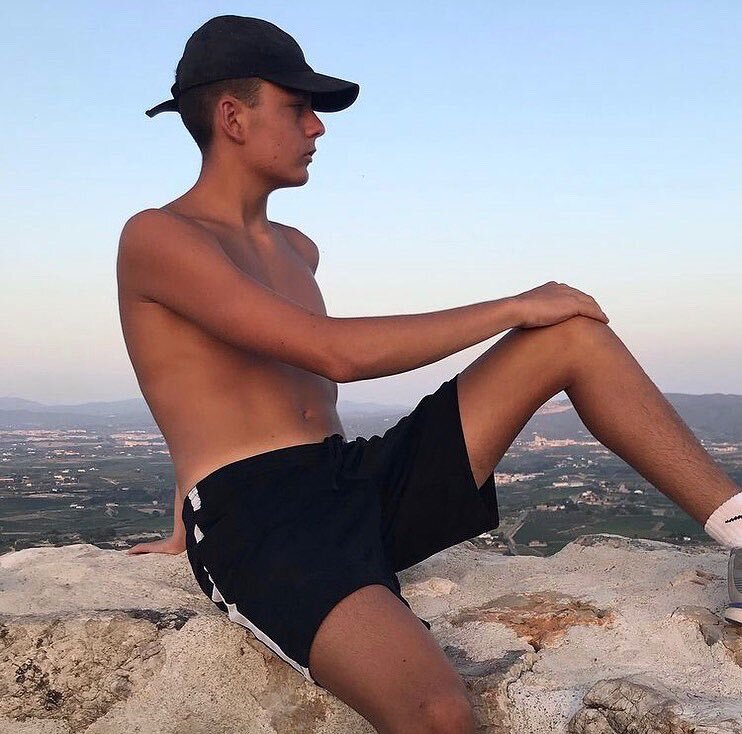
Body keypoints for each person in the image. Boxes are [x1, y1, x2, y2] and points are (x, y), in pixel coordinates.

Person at [117, 15, 742, 734]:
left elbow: (228, 383)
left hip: (353, 477)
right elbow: (331, 354)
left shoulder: (296, 247)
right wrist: (512, 306)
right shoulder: (158, 236)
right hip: (262, 520)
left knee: (571, 336)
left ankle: (738, 526)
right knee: (440, 714)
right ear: (232, 117)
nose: (317, 128)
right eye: (297, 107)